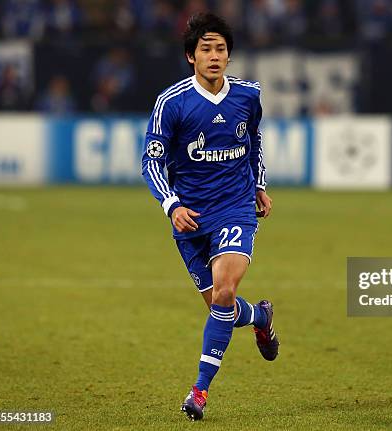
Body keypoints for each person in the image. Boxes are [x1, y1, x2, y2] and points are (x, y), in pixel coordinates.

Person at [141, 12, 279, 421]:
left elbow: (253, 141)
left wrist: (258, 185)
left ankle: (199, 391)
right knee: (223, 306)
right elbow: (151, 162)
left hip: (235, 208)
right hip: (191, 218)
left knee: (224, 290)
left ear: (229, 56)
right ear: (191, 56)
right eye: (206, 49)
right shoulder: (172, 103)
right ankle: (260, 316)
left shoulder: (249, 96)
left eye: (221, 49)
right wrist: (172, 205)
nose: (214, 56)